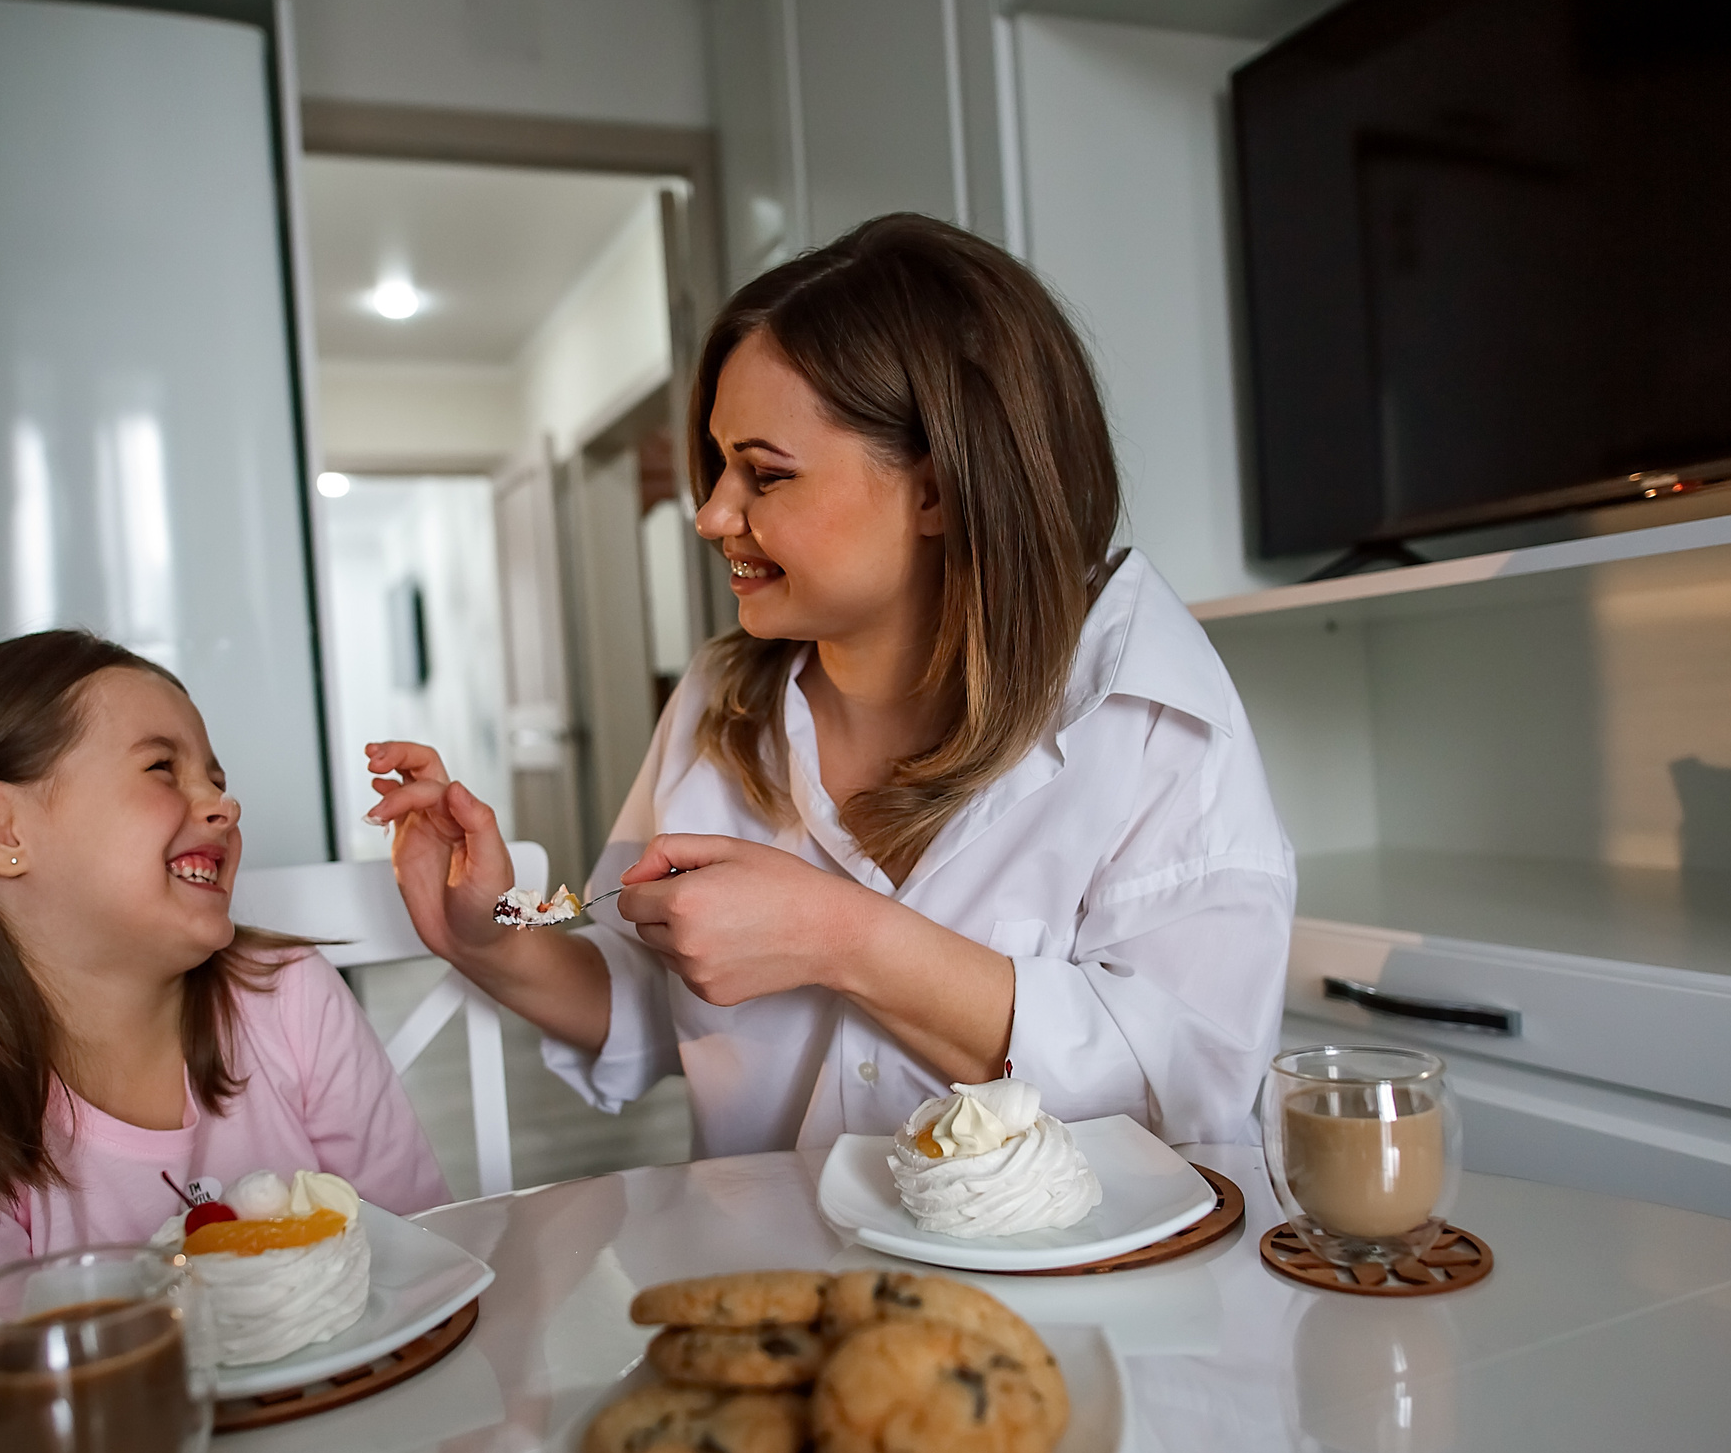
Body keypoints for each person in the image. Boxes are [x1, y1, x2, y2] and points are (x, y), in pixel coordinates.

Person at [368, 213, 1295, 1157]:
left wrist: (843, 937)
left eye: (763, 475)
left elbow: (1190, 1095)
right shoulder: (715, 699)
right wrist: (487, 938)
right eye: (721, 466)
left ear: (937, 490)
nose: (710, 512)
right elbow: (648, 998)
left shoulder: (1147, 717)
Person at [0, 631, 446, 1407]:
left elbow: (422, 1254)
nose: (224, 802)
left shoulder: (290, 994)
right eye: (161, 768)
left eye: (215, 775)